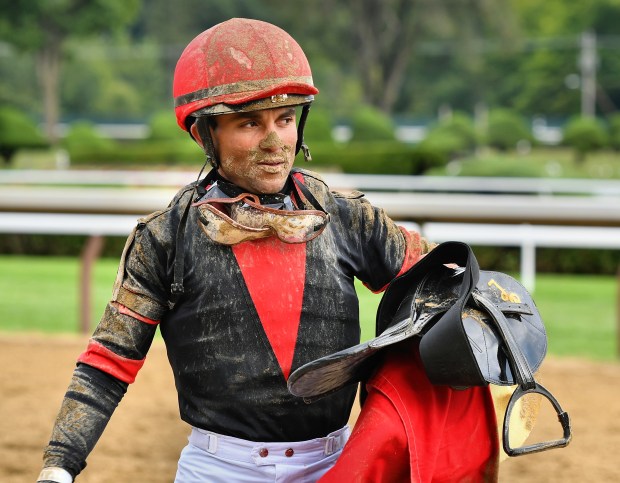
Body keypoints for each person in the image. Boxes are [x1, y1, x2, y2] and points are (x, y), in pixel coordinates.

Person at [36, 18, 435, 483]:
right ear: (204, 134)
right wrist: (59, 467)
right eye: (249, 122)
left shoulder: (348, 218)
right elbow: (107, 365)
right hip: (220, 472)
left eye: (285, 119)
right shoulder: (164, 238)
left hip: (338, 464)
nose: (274, 142)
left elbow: (438, 281)